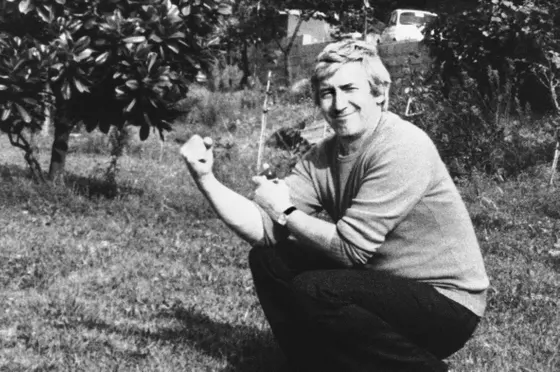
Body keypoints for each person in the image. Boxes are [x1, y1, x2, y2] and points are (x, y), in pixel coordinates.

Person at [180, 39, 489, 372]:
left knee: (315, 290)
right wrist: (206, 178)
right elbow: (264, 230)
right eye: (328, 93)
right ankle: (310, 363)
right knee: (269, 260)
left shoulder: (403, 146)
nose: (339, 103)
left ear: (379, 93)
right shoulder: (324, 155)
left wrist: (285, 211)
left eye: (350, 89)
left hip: (446, 306)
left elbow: (350, 249)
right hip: (384, 286)